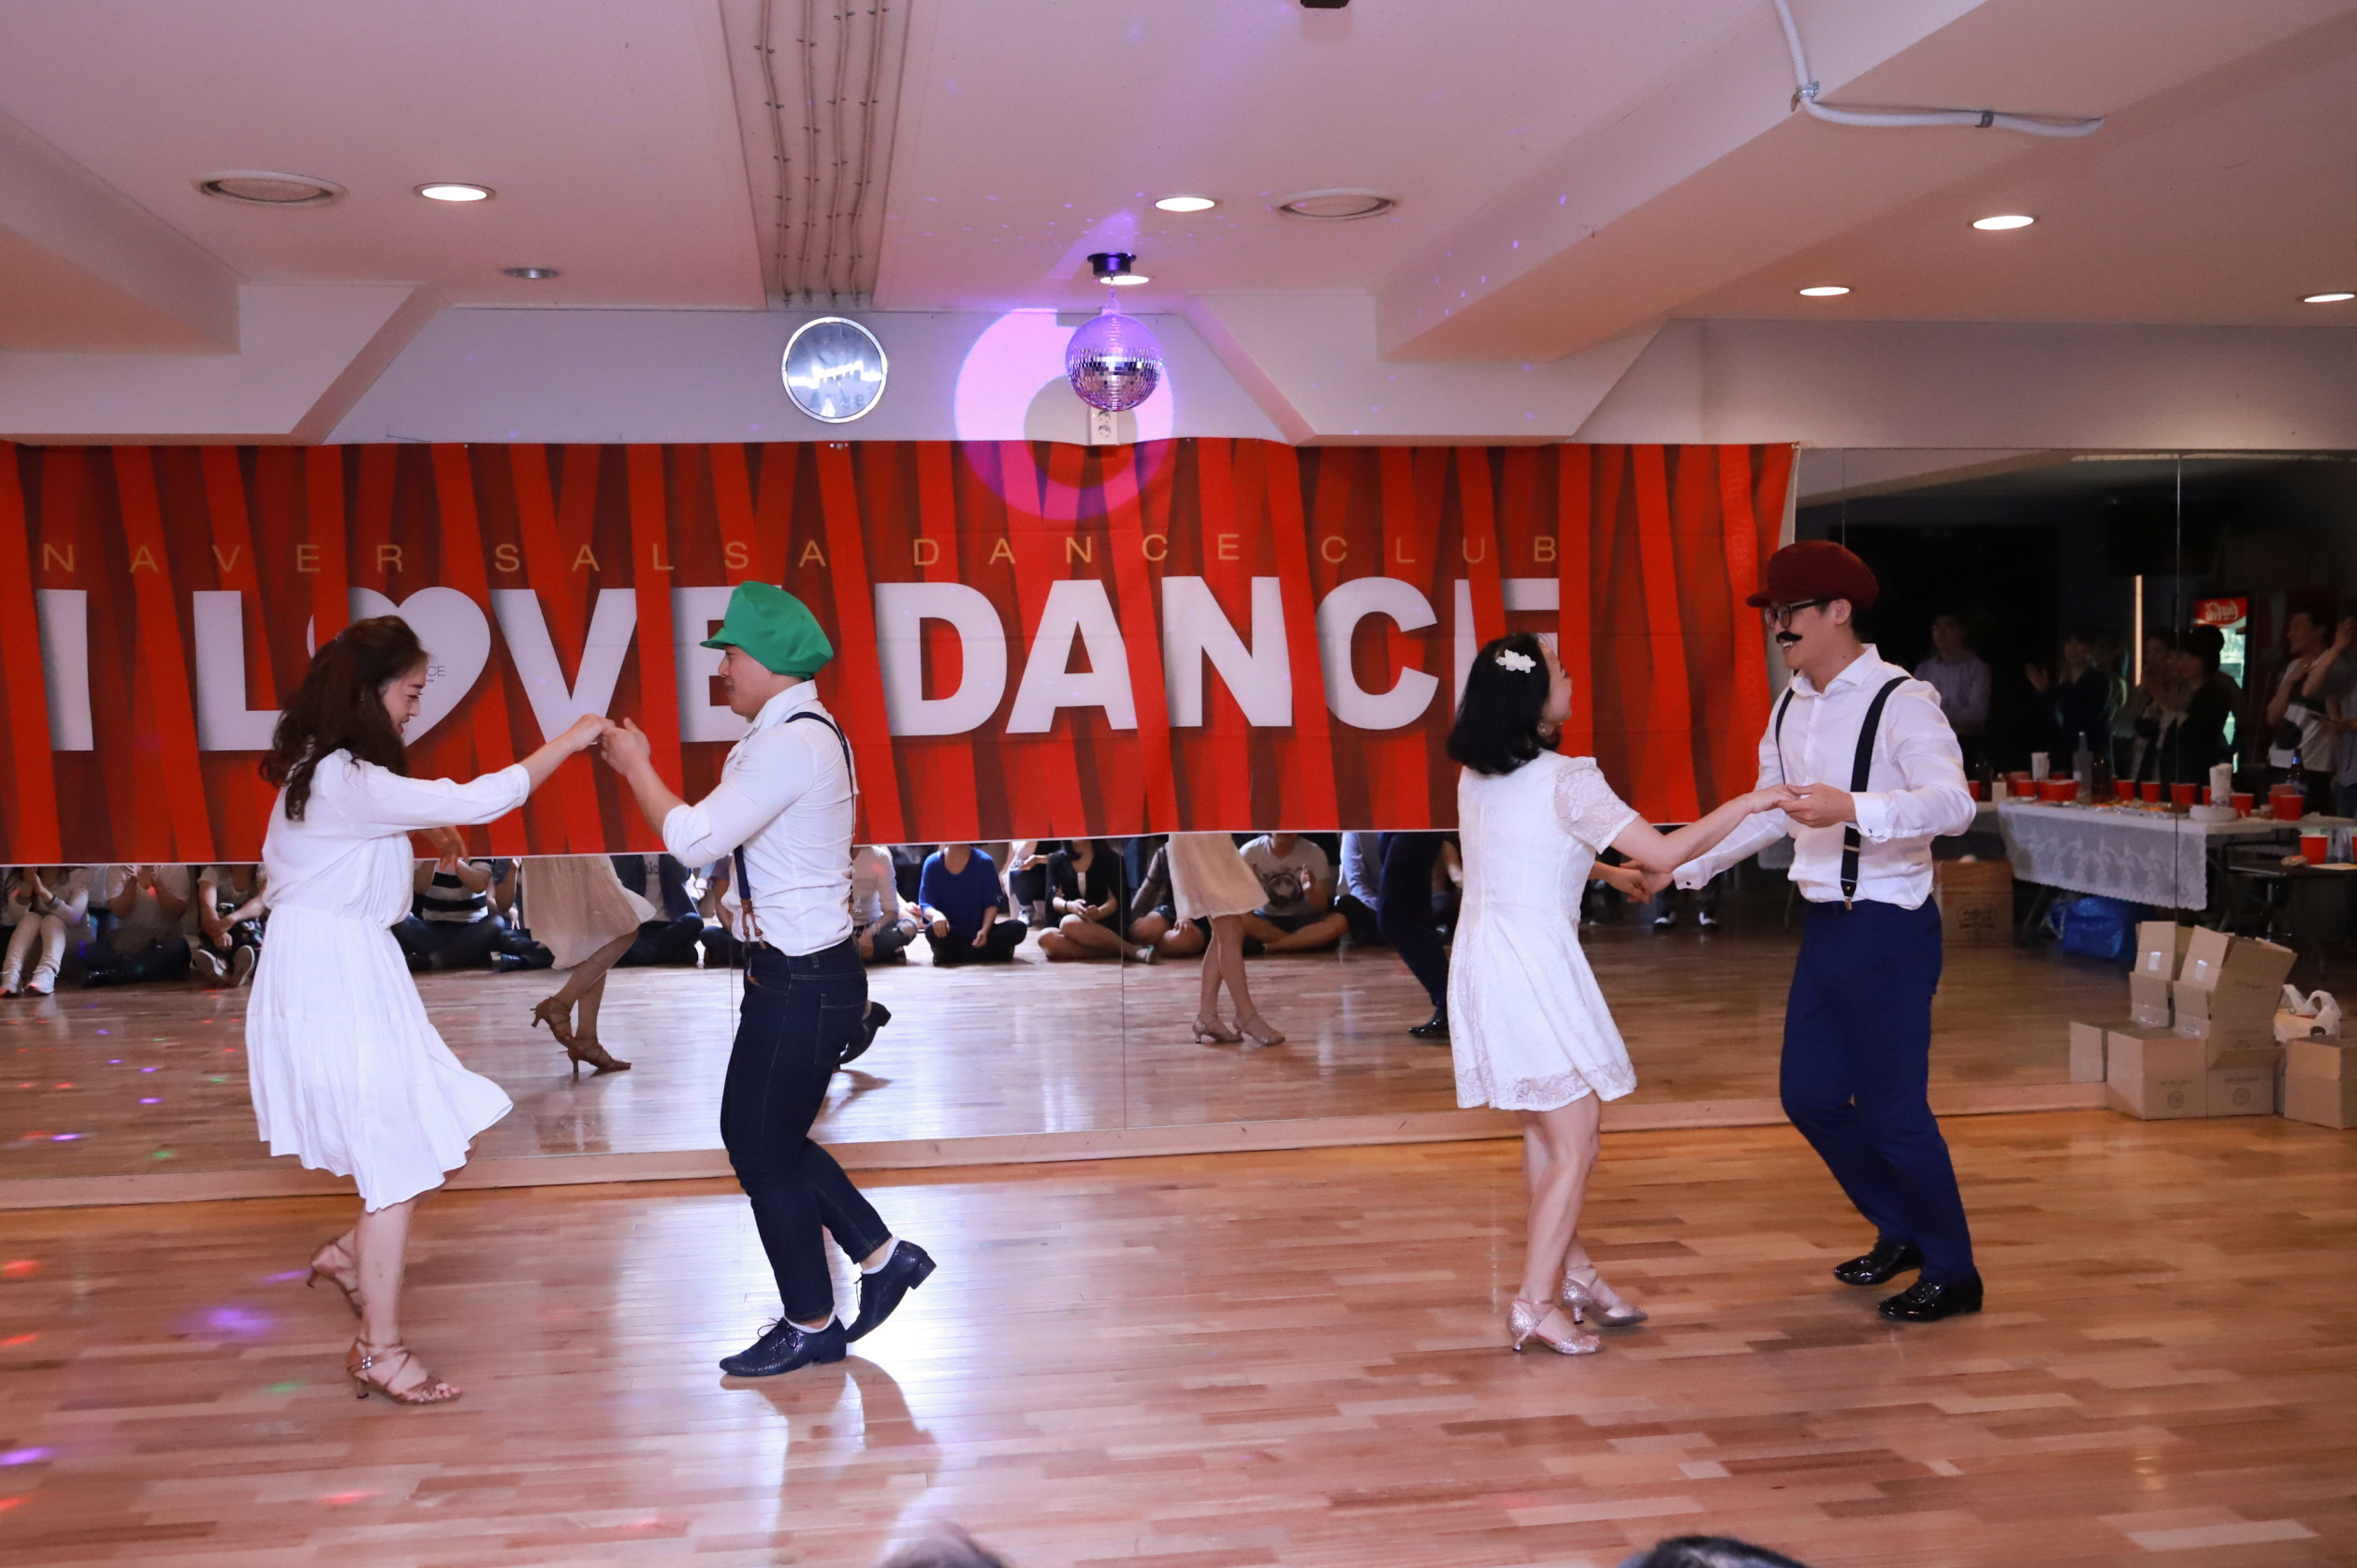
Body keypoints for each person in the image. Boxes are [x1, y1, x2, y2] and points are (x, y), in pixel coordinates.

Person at [250, 614, 609, 1404]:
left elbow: (349, 842)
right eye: (410, 693)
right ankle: (378, 1349)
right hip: (333, 977)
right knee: (398, 1154)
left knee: (435, 1134)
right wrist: (571, 738)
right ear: (371, 693)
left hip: (344, 970)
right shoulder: (345, 778)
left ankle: (352, 1259)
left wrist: (414, 826)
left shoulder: (327, 771)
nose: (415, 709)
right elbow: (484, 796)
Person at [597, 581, 931, 1378]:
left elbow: (692, 839)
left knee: (757, 1146)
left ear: (774, 658)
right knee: (766, 1140)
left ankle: (815, 1317)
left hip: (802, 980)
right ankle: (879, 1261)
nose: (720, 670)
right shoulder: (789, 734)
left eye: (731, 655)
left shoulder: (791, 742)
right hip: (800, 974)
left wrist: (636, 766)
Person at [1451, 631, 1794, 1357]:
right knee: (1574, 1140)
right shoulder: (1568, 778)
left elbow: (1522, 850)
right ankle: (1534, 1303)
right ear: (1533, 699)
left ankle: (1574, 1277)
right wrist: (1749, 801)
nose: (1571, 678)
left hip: (1486, 963)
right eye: (1559, 671)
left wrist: (1606, 874)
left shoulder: (1478, 776)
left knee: (1547, 1132)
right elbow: (1665, 851)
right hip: (1533, 969)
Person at [1666, 541, 1983, 1324]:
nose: (1777, 626)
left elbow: (1953, 805)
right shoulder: (1789, 705)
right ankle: (1901, 1228)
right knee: (1807, 1097)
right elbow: (1767, 812)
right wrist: (1683, 868)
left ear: (1838, 612)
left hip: (1888, 926)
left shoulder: (1901, 699)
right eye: (1771, 613)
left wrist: (1852, 808)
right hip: (1823, 926)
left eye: (1790, 611)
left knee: (1893, 1112)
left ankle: (1953, 1271)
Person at [519, 855, 651, 1075]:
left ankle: (587, 1039)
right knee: (623, 929)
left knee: (596, 937)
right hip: (571, 850)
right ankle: (561, 1003)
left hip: (560, 851)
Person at [1167, 833, 1283, 1046]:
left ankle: (1207, 1015)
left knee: (1225, 931)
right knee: (1230, 929)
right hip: (1200, 836)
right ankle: (1246, 1016)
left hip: (1209, 836)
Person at [1377, 833, 1453, 1039]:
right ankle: (1450, 1006)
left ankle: (1450, 1005)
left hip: (1411, 823)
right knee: (1411, 917)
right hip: (1398, 822)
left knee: (1396, 920)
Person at [2266, 609, 2338, 804]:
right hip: (2278, 761)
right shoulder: (2293, 666)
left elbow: (2335, 719)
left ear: (2319, 630)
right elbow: (2272, 717)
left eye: (2297, 627)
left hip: (2313, 765)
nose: (2290, 634)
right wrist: (2290, 681)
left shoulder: (2332, 664)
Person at [80, 864, 195, 987]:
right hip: (129, 943)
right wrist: (132, 883)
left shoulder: (175, 867)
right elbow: (120, 912)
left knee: (177, 949)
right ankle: (145, 971)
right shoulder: (119, 867)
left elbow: (176, 913)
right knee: (88, 953)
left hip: (163, 940)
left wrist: (158, 884)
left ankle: (114, 975)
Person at [1035, 838, 1148, 962]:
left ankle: (1132, 951)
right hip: (1068, 919)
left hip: (1104, 922)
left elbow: (1115, 900)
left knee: (1070, 923)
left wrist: (1099, 912)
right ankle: (1115, 951)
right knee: (1046, 938)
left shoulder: (1111, 859)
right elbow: (1054, 897)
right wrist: (1069, 906)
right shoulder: (1056, 859)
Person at [1237, 832, 1349, 952]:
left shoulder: (1315, 853)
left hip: (1304, 920)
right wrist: (1252, 888)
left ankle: (1270, 947)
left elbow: (1320, 909)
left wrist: (1309, 891)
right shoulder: (1250, 851)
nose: (1285, 831)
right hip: (1264, 920)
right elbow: (1242, 908)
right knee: (1238, 918)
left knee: (1339, 921)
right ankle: (1301, 942)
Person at [917, 844, 1027, 964]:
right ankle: (990, 953)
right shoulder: (932, 862)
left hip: (981, 932)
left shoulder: (985, 861)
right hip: (951, 933)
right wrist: (936, 915)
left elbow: (993, 902)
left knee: (1018, 927)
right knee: (931, 931)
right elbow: (925, 904)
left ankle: (955, 955)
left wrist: (984, 931)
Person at [1, 866, 92, 997]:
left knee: (52, 920)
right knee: (30, 918)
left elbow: (74, 917)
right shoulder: (22, 874)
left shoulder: (79, 874)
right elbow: (17, 919)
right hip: (37, 950)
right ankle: (11, 975)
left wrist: (45, 894)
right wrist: (25, 893)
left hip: (75, 947)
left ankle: (46, 974)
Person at [2302, 605, 2357, 818]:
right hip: (2346, 774)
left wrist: (2352, 725)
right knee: (2344, 834)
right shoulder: (2346, 665)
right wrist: (2336, 648)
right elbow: (2310, 689)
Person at [1914, 613, 1988, 770]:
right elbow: (1914, 707)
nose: (1941, 632)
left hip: (1963, 743)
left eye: (1948, 626)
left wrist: (1938, 714)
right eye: (1936, 627)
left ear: (1962, 631)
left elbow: (1977, 713)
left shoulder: (1976, 668)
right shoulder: (1924, 669)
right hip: (1927, 742)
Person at [613, 852, 710, 966]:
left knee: (694, 921)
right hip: (637, 928)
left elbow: (683, 875)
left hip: (670, 925)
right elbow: (620, 872)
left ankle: (646, 955)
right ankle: (672, 954)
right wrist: (634, 850)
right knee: (613, 944)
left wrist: (668, 850)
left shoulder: (673, 849)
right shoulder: (629, 852)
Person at [1126, 838, 1209, 960]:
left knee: (1179, 941)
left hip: (1206, 912)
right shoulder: (1166, 851)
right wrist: (1127, 920)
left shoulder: (1211, 851)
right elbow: (1147, 889)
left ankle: (1149, 951)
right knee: (1140, 931)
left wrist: (1185, 914)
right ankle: (1146, 948)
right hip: (1172, 907)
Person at [192, 863, 268, 987]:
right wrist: (218, 930)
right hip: (220, 929)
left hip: (249, 929)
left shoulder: (264, 871)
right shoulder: (213, 872)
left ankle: (244, 964)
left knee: (251, 930)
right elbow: (207, 906)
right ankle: (221, 965)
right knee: (223, 910)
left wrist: (231, 919)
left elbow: (260, 904)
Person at [850, 844, 921, 964]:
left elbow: (891, 911)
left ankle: (856, 955)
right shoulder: (831, 856)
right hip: (841, 930)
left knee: (909, 926)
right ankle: (881, 954)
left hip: (873, 927)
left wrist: (869, 933)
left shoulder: (879, 856)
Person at [1335, 832, 1384, 946]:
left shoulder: (1409, 832)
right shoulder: (1355, 833)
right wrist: (1382, 910)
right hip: (1374, 907)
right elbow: (1357, 883)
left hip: (1405, 906)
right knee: (1346, 903)